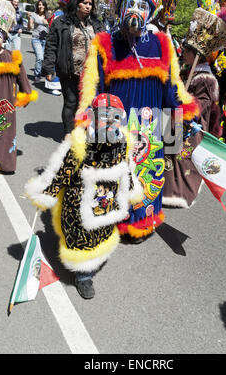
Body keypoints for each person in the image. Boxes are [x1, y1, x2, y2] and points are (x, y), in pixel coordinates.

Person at [76, 0, 200, 242]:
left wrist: (178, 130)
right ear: (119, 5)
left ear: (152, 9)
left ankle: (140, 223)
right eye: (130, 3)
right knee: (111, 180)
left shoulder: (161, 43)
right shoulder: (104, 43)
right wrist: (88, 124)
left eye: (143, 6)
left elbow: (172, 91)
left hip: (150, 128)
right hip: (113, 126)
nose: (136, 11)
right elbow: (91, 89)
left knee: (147, 177)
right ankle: (108, 222)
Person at [25, 93, 143, 299]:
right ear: (94, 117)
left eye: (115, 117)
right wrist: (47, 192)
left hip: (107, 200)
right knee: (81, 235)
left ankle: (93, 260)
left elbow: (127, 167)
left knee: (103, 231)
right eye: (104, 116)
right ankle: (83, 275)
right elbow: (64, 170)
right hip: (79, 201)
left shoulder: (122, 141)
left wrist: (131, 189)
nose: (110, 122)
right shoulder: (80, 143)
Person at [162, 8, 226, 208]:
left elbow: (200, 106)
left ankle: (180, 194)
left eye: (187, 52)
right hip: (175, 121)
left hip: (190, 127)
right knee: (169, 157)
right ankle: (166, 189)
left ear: (197, 55)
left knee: (182, 161)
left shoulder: (206, 79)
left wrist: (183, 101)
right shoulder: (188, 72)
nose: (183, 54)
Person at [0, 0, 38, 175]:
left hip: (6, 101)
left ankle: (2, 162)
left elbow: (22, 78)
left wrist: (26, 94)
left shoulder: (13, 56)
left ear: (4, 38)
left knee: (3, 132)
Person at [43, 0, 103, 140]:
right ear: (77, 3)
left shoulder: (96, 23)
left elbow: (105, 44)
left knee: (87, 102)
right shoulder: (61, 22)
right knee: (70, 101)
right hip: (69, 70)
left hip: (91, 72)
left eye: (90, 3)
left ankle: (82, 129)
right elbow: (51, 45)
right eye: (85, 3)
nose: (88, 6)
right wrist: (48, 67)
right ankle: (69, 131)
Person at [28, 0, 50, 83]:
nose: (41, 6)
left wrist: (47, 23)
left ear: (45, 6)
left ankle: (42, 73)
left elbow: (52, 28)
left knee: (44, 58)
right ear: (37, 6)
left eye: (42, 5)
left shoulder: (48, 16)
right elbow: (29, 28)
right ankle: (37, 75)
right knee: (40, 57)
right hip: (36, 39)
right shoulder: (34, 15)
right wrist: (30, 21)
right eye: (39, 5)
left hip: (46, 40)